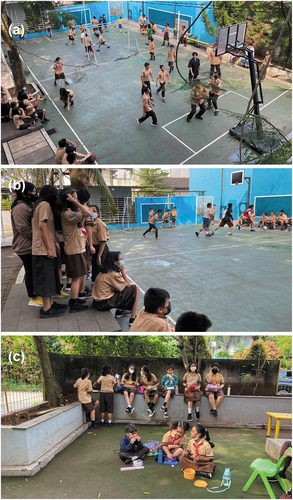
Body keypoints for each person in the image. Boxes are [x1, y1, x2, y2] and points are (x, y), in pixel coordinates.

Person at [31, 185, 66, 318]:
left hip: (43, 249)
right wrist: (50, 248)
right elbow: (42, 225)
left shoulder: (39, 204)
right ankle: (46, 309)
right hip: (43, 249)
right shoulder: (44, 205)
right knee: (45, 279)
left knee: (49, 278)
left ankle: (50, 304)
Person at [56, 189, 92, 313]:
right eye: (74, 198)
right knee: (76, 278)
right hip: (74, 249)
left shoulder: (71, 212)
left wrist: (75, 202)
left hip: (78, 248)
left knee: (81, 274)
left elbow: (86, 213)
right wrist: (73, 201)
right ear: (69, 199)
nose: (76, 200)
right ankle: (74, 303)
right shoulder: (67, 214)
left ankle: (76, 298)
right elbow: (87, 213)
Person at [11, 182, 42, 307]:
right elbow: (23, 229)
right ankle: (33, 297)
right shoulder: (20, 208)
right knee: (31, 271)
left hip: (30, 244)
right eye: (32, 191)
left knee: (34, 270)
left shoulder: (26, 205)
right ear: (24, 193)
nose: (35, 194)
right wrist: (39, 236)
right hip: (25, 246)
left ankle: (36, 294)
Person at [91, 251, 140, 326]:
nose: (122, 260)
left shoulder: (105, 270)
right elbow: (128, 285)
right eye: (121, 259)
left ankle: (120, 312)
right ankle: (132, 319)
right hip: (104, 303)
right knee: (135, 288)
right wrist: (122, 270)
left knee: (120, 288)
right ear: (115, 262)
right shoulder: (113, 274)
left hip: (97, 302)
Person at [84, 204, 109, 282]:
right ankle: (97, 285)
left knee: (100, 268)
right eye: (90, 211)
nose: (92, 213)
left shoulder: (100, 224)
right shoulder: (88, 223)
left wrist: (99, 256)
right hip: (93, 249)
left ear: (98, 214)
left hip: (100, 249)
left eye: (94, 211)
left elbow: (103, 241)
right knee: (95, 269)